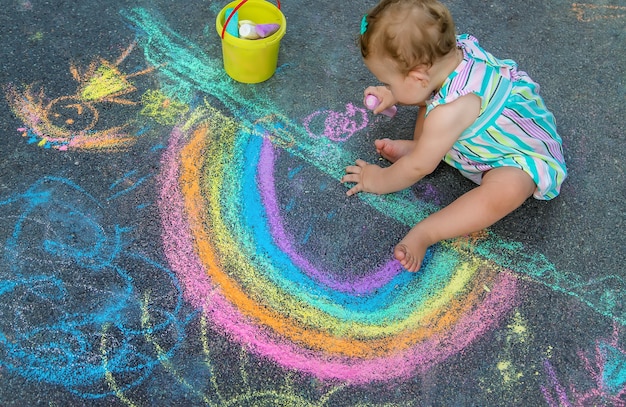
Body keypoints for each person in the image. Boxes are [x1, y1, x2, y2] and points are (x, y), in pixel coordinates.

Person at [341, 0, 567, 272]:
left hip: (515, 152)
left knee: (507, 190)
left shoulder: (447, 112)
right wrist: (393, 94)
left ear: (417, 76)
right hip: (472, 131)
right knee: (429, 104)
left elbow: (416, 169)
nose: (387, 86)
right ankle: (422, 146)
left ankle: (427, 232)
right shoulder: (447, 55)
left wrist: (376, 180)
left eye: (389, 81)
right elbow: (423, 90)